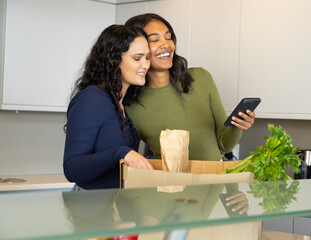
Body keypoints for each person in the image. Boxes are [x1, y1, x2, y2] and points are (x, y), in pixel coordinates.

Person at [124, 14, 255, 161]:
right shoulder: (131, 106)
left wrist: (238, 125)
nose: (166, 44)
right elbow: (129, 159)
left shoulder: (201, 78)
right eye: (154, 40)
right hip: (168, 182)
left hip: (212, 181)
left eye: (168, 37)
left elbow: (225, 144)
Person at [63, 25, 153, 191]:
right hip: (89, 209)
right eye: (137, 58)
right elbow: (72, 169)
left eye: (147, 58)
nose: (146, 65)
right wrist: (120, 153)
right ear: (113, 60)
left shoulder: (120, 102)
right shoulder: (91, 99)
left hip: (114, 207)